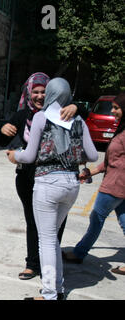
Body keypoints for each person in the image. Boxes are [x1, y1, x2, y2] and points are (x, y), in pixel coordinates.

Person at [7, 78, 98, 300]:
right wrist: (73, 153)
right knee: (52, 238)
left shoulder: (41, 117)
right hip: (71, 185)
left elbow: (29, 155)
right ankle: (57, 288)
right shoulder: (78, 120)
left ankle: (49, 294)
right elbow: (94, 155)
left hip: (48, 183)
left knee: (45, 239)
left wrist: (13, 156)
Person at [0, 72, 77, 280]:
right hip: (27, 178)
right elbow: (1, 142)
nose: (40, 96)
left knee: (56, 223)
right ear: (28, 93)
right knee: (33, 222)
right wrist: (3, 130)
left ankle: (50, 265)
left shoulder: (62, 113)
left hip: (57, 178)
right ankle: (32, 264)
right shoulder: (22, 116)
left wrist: (76, 106)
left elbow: (80, 123)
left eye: (44, 92)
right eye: (36, 92)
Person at [62, 93, 125, 268]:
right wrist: (91, 172)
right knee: (124, 221)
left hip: (114, 186)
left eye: (116, 108)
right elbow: (111, 161)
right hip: (117, 185)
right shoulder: (122, 128)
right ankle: (79, 252)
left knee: (96, 219)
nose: (113, 111)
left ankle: (79, 253)